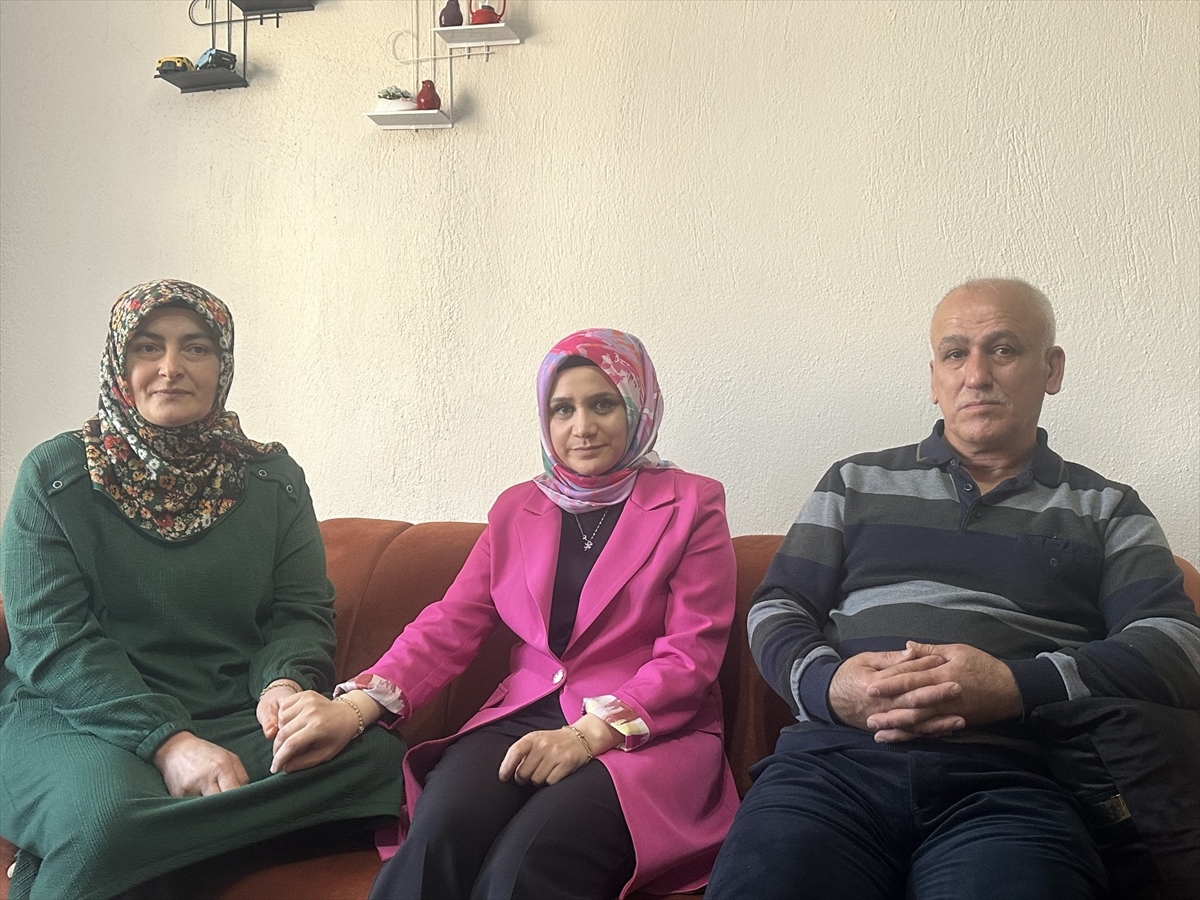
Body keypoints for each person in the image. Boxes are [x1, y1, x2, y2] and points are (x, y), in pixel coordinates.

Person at [706, 278, 1200, 899]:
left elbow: (1176, 645)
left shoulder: (1107, 507)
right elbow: (778, 605)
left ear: (1051, 369)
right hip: (830, 771)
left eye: (1003, 349)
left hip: (1015, 782)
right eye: (955, 354)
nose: (976, 375)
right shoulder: (853, 481)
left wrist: (1014, 686)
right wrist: (830, 686)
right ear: (934, 377)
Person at [269, 328, 741, 899]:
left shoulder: (693, 503)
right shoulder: (517, 508)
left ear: (638, 409)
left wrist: (588, 734)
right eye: (563, 409)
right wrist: (356, 707)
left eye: (603, 405)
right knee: (441, 831)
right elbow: (452, 621)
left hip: (640, 731)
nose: (582, 427)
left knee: (526, 862)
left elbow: (691, 654)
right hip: (523, 715)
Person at [0, 280, 405, 900]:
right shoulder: (54, 476)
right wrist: (169, 744)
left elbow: (300, 611)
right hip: (76, 718)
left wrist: (283, 684)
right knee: (104, 819)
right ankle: (116, 841)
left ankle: (130, 849)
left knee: (379, 764)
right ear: (119, 364)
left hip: (228, 712)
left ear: (223, 365)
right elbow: (53, 643)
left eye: (196, 348)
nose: (171, 367)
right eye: (147, 347)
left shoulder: (273, 479)